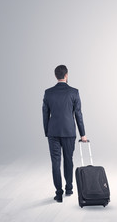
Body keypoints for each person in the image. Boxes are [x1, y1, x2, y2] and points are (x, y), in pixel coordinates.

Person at [42, 65, 87, 203]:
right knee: (69, 160)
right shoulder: (74, 92)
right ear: (66, 75)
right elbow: (78, 114)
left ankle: (59, 193)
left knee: (55, 163)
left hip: (53, 133)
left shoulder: (48, 92)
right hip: (69, 132)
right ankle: (69, 188)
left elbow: (45, 114)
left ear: (56, 76)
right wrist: (83, 134)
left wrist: (47, 132)